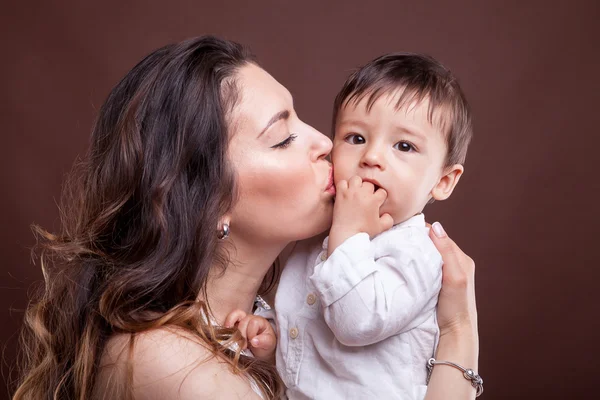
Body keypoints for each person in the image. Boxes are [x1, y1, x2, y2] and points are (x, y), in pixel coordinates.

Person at [13, 36, 479, 400]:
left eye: (301, 121)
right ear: (210, 197)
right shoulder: (160, 361)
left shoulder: (250, 331)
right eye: (283, 138)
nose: (325, 143)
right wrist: (458, 333)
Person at [253, 53, 475, 399]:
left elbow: (355, 323)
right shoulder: (317, 235)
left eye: (404, 146)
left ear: (444, 181)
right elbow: (311, 329)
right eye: (355, 138)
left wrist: (349, 235)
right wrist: (273, 336)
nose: (371, 156)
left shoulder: (417, 253)